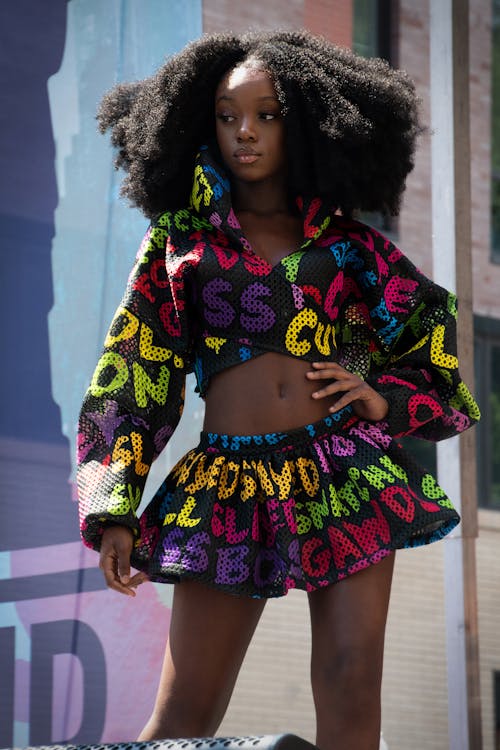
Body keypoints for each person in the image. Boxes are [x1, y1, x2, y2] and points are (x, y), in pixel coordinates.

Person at [77, 30, 480, 750]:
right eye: (229, 116)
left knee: (353, 690)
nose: (246, 133)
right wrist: (114, 505)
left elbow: (432, 330)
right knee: (183, 716)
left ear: (303, 124)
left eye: (266, 115)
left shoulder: (348, 247)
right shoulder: (180, 243)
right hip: (226, 487)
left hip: (344, 474)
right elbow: (134, 373)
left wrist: (382, 395)